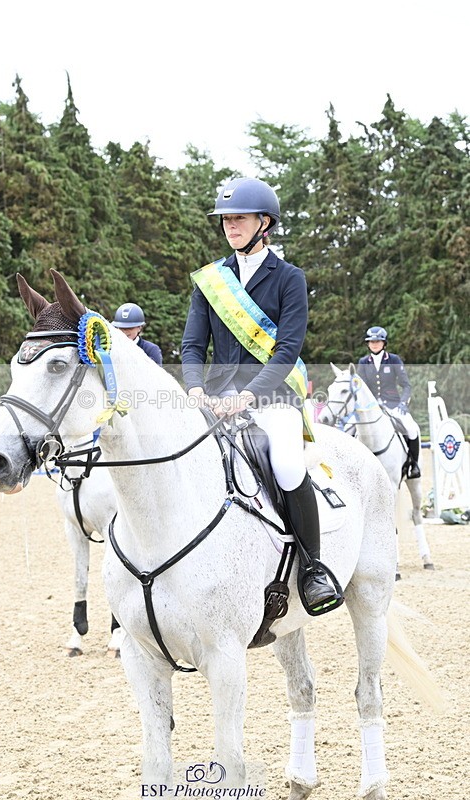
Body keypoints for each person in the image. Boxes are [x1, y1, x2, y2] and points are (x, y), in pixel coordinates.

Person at [181, 176, 340, 614]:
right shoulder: (212, 280)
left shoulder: (289, 278)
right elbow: (193, 344)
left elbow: (287, 350)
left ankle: (313, 569)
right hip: (214, 397)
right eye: (226, 220)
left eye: (240, 218)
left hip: (273, 397)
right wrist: (194, 386)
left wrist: (248, 397)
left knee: (287, 466)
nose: (230, 226)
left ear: (264, 223)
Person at [358, 326, 421, 478]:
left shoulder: (394, 360)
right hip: (371, 409)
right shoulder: (363, 362)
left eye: (377, 341)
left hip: (392, 405)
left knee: (411, 428)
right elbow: (361, 387)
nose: (374, 344)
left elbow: (406, 385)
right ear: (368, 344)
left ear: (384, 343)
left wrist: (403, 403)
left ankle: (414, 464)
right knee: (350, 430)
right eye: (371, 341)